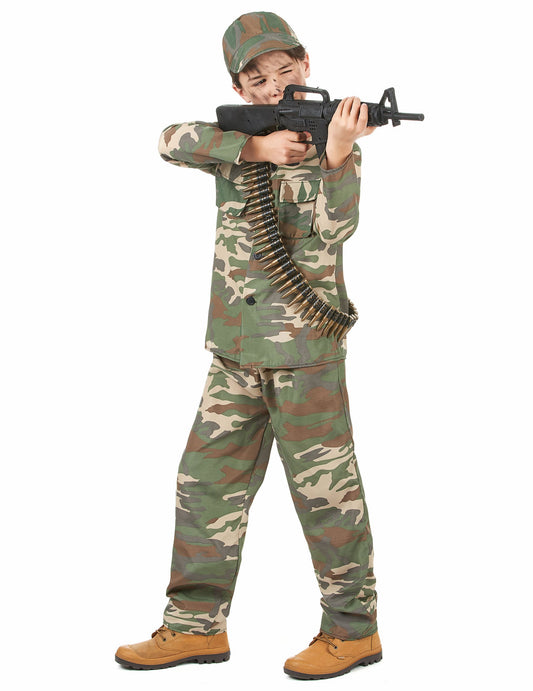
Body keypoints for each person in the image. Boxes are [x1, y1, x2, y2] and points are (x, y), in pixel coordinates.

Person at [115, 11, 382, 680]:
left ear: (306, 65)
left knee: (326, 496)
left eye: (285, 70)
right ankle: (193, 628)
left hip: (303, 352)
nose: (274, 86)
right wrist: (255, 150)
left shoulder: (336, 146)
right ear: (239, 87)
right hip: (234, 349)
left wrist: (337, 153)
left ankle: (352, 632)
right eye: (257, 79)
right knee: (204, 485)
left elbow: (334, 231)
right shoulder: (238, 140)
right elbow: (170, 139)